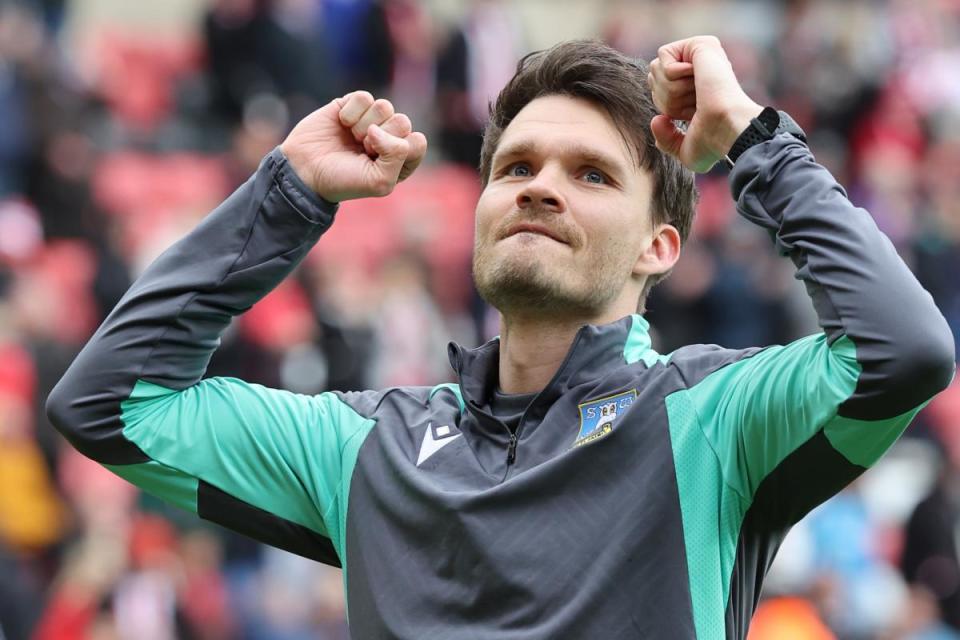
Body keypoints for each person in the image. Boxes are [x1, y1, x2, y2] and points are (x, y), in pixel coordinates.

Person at [47, 36, 955, 639]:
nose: (539, 186)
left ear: (659, 247)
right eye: (516, 166)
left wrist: (758, 144)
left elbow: (901, 350)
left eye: (591, 174)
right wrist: (287, 194)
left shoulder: (711, 418)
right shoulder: (366, 447)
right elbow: (109, 402)